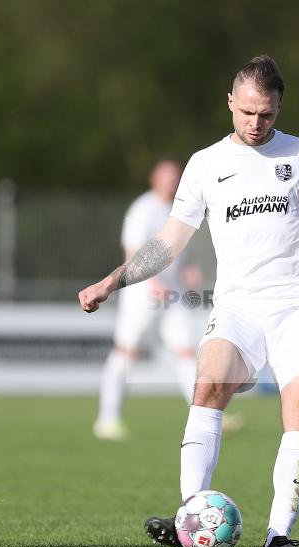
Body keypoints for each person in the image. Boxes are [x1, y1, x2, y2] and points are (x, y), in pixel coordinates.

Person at [78, 55, 299, 547]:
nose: (255, 123)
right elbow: (169, 242)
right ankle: (190, 518)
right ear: (230, 103)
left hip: (298, 305)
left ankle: (278, 539)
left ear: (279, 107)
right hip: (238, 304)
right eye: (246, 112)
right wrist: (112, 282)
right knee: (208, 383)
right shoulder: (205, 165)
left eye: (265, 114)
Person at [93, 160, 199, 441]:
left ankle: (203, 416)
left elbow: (177, 249)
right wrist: (151, 282)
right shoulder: (143, 209)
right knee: (126, 352)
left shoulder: (178, 208)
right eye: (165, 177)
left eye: (175, 177)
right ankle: (107, 418)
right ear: (154, 179)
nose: (171, 182)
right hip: (142, 295)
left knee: (187, 351)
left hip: (172, 295)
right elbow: (131, 254)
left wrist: (188, 268)